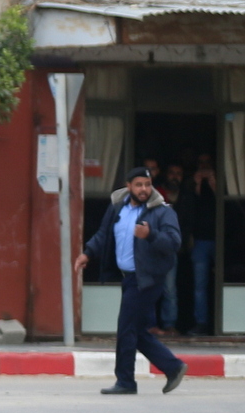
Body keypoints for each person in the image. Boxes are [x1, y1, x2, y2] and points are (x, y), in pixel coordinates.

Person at [77, 167, 187, 395]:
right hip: (128, 278)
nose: (144, 189)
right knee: (136, 330)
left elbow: (174, 242)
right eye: (139, 185)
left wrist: (151, 235)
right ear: (128, 186)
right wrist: (87, 253)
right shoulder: (118, 207)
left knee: (126, 329)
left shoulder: (161, 212)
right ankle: (172, 366)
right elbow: (103, 234)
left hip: (147, 279)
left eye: (147, 185)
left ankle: (126, 381)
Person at [179, 156, 220, 338]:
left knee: (225, 282)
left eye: (207, 163)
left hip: (222, 240)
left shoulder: (225, 181)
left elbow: (227, 202)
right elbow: (185, 206)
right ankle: (201, 323)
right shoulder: (189, 183)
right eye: (201, 163)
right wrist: (194, 183)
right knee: (200, 285)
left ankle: (226, 323)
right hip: (200, 240)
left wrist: (213, 181)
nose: (204, 167)